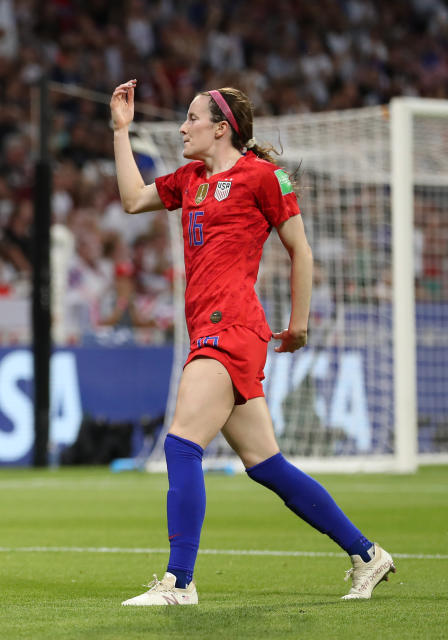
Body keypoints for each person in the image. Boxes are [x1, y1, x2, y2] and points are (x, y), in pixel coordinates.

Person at [109, 81, 395, 606]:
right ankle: (366, 553)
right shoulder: (190, 180)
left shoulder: (263, 177)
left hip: (233, 327)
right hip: (211, 329)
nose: (182, 128)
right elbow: (132, 200)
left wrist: (300, 323)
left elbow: (300, 250)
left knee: (180, 443)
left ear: (222, 128)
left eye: (192, 118)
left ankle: (179, 582)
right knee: (266, 464)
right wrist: (121, 131)